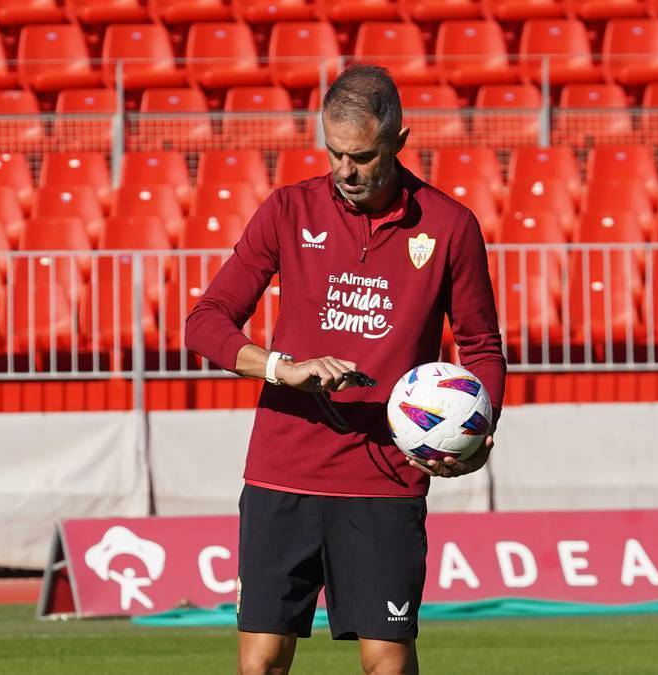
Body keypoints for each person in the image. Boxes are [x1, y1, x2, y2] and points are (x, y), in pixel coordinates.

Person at [185, 64, 506, 675]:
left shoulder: (449, 226)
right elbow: (205, 323)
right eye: (333, 154)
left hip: (386, 477)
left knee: (387, 661)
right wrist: (283, 369)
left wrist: (478, 427)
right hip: (284, 471)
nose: (345, 172)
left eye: (362, 156)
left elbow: (481, 345)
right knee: (262, 663)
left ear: (400, 142)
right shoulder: (286, 210)